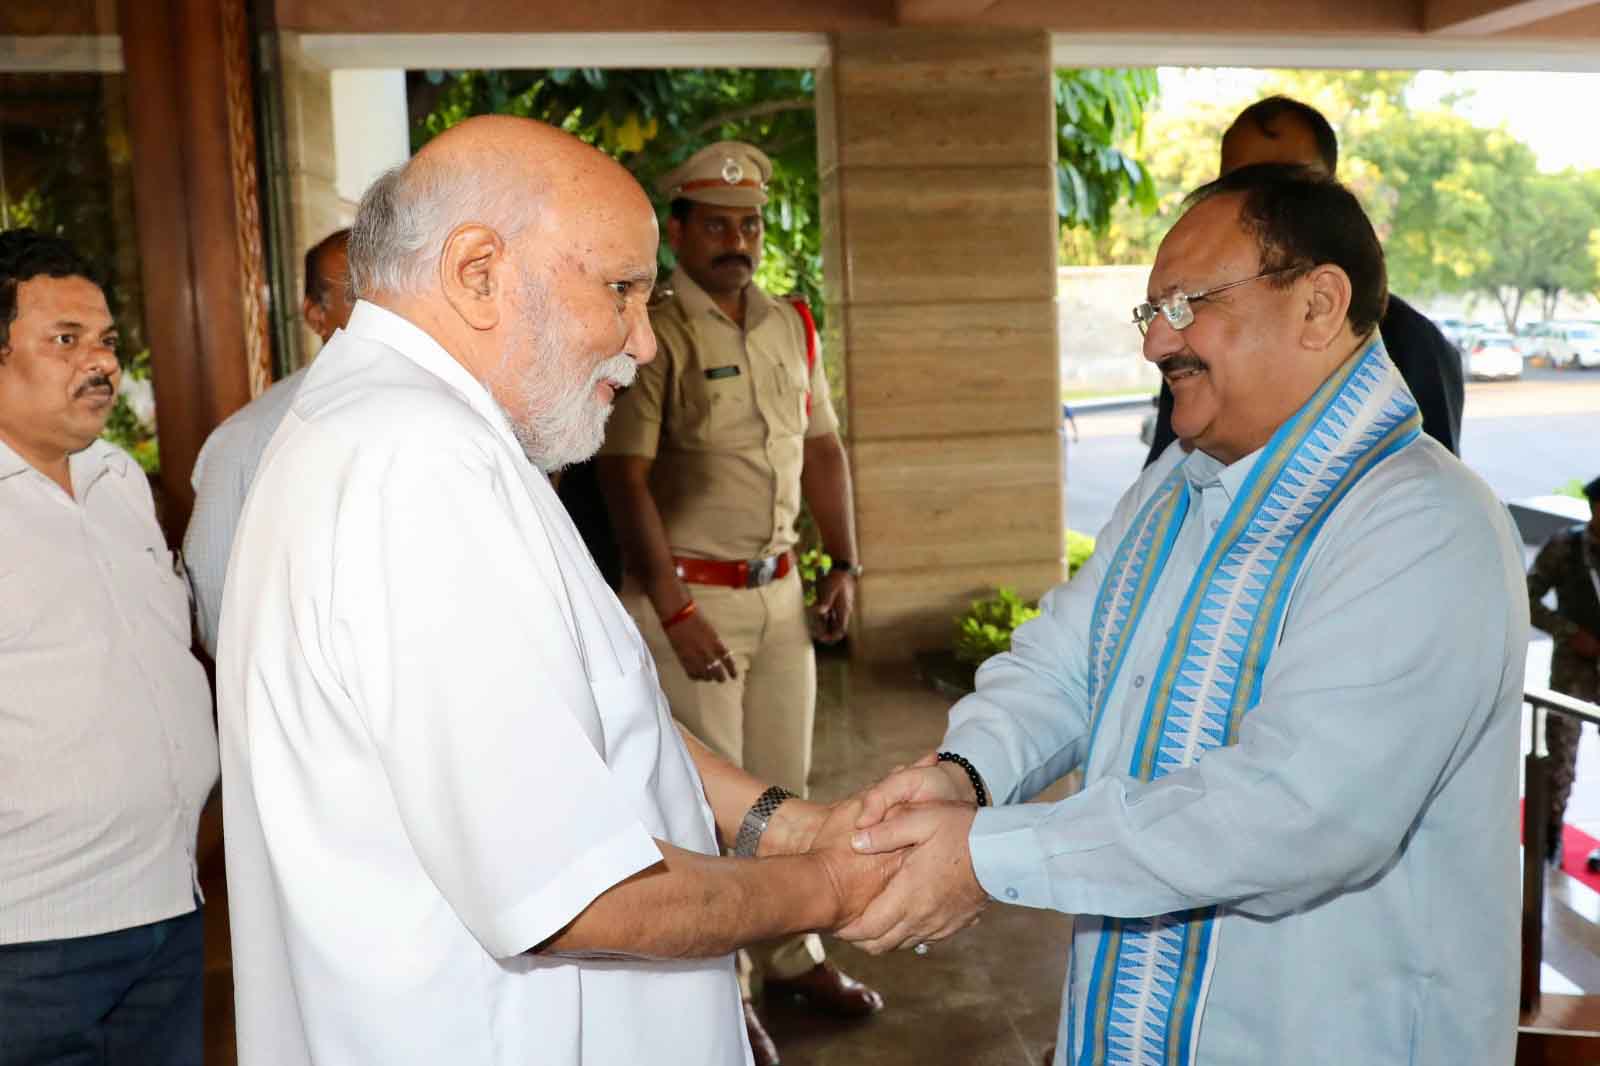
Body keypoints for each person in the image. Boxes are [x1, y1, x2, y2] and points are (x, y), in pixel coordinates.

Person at [215, 116, 899, 1066]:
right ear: (478, 271)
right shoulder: (417, 469)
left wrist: (786, 823)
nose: (642, 342)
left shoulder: (415, 434)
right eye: (619, 291)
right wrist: (833, 886)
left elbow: (584, 715)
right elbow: (576, 897)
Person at [844, 166, 1527, 1065]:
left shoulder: (1422, 524)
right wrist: (968, 777)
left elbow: (1296, 811)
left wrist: (989, 854)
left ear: (1319, 305)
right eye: (1150, 311)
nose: (1156, 342)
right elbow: (1064, 664)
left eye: (1187, 302)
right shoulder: (1176, 484)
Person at [594, 140, 878, 1065]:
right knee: (708, 813)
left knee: (784, 792)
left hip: (781, 595)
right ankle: (729, 993)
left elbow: (824, 450)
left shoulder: (792, 324)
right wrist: (674, 612)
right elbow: (624, 476)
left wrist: (845, 561)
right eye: (716, 223)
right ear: (679, 230)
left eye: (749, 223)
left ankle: (793, 955)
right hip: (692, 605)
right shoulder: (657, 329)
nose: (737, 239)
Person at [0, 229, 219, 1065]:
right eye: (65, 341)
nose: (100, 363)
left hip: (167, 911)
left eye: (107, 342)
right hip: (31, 944)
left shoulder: (120, 482)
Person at [1145, 95, 1464, 465]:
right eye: (1237, 183)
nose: (1158, 346)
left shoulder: (1416, 345)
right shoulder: (1192, 343)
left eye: (1288, 182)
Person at [184, 227, 354, 657]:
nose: (386, 311)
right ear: (315, 316)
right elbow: (214, 592)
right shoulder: (243, 444)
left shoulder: (468, 414)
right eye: (358, 294)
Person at [1528, 474, 1600, 866]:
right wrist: (1569, 632)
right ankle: (1550, 837)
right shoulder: (1566, 548)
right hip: (1572, 671)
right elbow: (1528, 595)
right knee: (1559, 760)